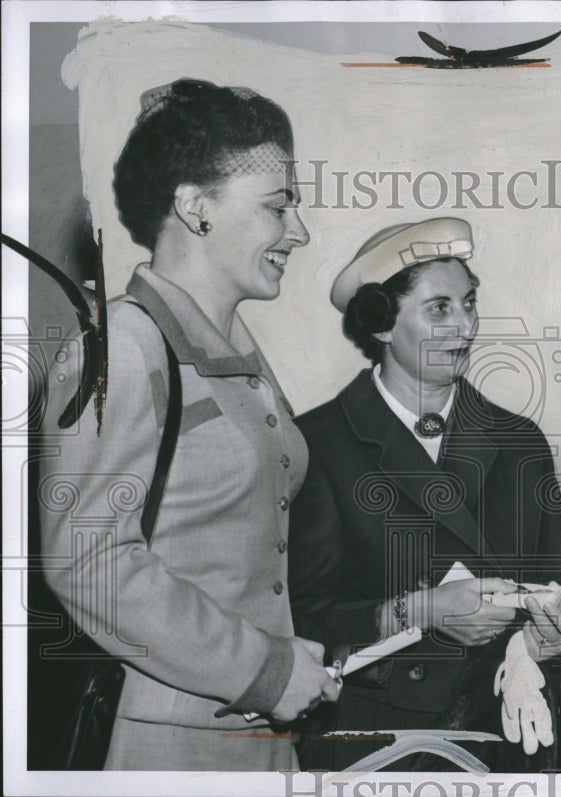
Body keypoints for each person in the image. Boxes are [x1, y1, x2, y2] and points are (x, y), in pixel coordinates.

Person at [38, 78, 340, 771]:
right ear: (196, 208)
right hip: (161, 741)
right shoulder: (120, 347)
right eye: (277, 207)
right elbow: (87, 559)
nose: (299, 230)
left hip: (259, 734)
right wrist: (262, 667)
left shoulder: (233, 349)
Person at [288, 218, 561, 770]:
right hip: (377, 742)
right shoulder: (318, 445)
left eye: (469, 304)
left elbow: (557, 589)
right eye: (439, 309)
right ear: (381, 324)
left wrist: (546, 642)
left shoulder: (520, 441)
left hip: (506, 727)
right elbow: (303, 619)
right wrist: (424, 611)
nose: (465, 327)